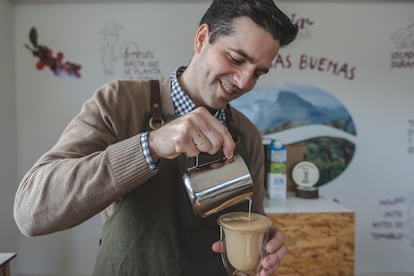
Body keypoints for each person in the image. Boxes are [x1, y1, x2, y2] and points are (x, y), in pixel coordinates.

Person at [14, 0, 298, 275]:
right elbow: (31, 213)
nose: (245, 82)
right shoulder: (118, 103)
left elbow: (252, 219)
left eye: (258, 73)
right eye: (236, 59)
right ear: (202, 39)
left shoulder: (247, 134)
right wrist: (150, 145)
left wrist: (265, 246)